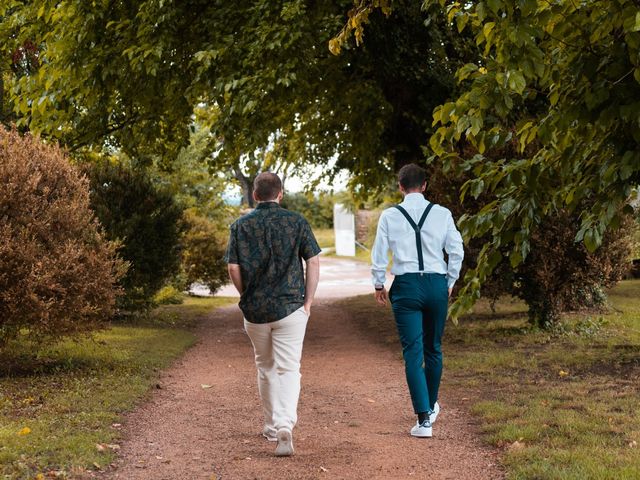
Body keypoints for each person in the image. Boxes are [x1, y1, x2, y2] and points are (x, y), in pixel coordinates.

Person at [224, 172, 321, 457]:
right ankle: (284, 425)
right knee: (289, 368)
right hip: (290, 307)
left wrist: (245, 296)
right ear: (280, 194)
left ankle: (269, 426)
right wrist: (309, 302)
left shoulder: (240, 225)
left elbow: (233, 268)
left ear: (255, 195)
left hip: (255, 311)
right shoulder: (297, 222)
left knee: (264, 366)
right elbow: (313, 261)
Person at [371, 163, 464, 438]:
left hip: (406, 286)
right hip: (436, 283)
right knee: (433, 348)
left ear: (400, 186)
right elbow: (456, 250)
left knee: (413, 352)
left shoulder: (390, 216)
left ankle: (424, 419)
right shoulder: (442, 213)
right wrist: (450, 281)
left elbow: (379, 253)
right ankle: (431, 404)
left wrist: (378, 283)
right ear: (424, 186)